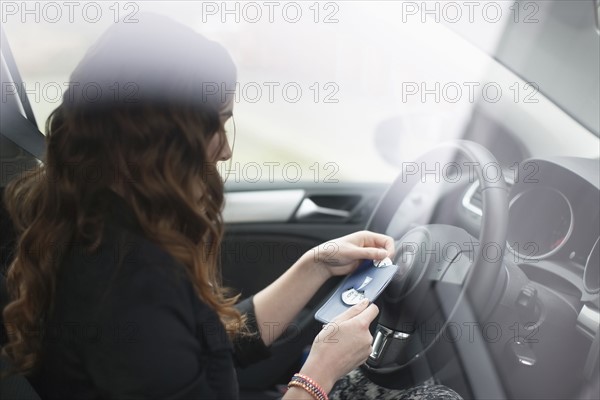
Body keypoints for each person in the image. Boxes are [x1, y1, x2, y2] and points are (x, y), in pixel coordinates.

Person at [1, 14, 461, 400]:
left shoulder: (93, 219)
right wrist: (319, 375)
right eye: (216, 124)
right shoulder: (129, 284)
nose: (223, 150)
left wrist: (314, 266)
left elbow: (205, 345)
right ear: (160, 141)